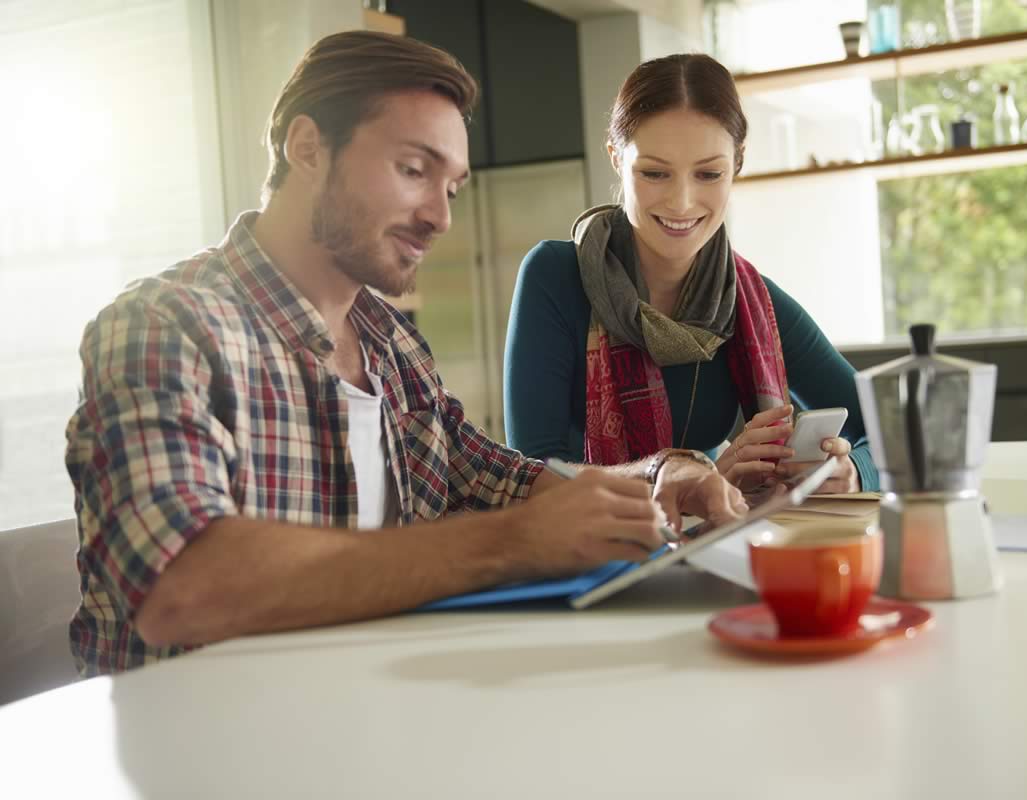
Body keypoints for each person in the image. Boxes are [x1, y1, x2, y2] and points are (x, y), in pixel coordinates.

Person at [64, 33, 745, 677]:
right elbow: (179, 587)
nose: (440, 218)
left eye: (451, 189)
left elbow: (501, 478)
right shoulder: (164, 327)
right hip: (203, 737)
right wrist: (512, 542)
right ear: (308, 147)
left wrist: (656, 474)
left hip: (373, 712)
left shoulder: (391, 344)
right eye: (414, 170)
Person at [504, 54, 879, 495]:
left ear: (737, 164)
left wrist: (851, 471)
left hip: (719, 534)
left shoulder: (749, 299)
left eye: (708, 173)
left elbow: (889, 432)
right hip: (588, 540)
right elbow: (531, 477)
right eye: (655, 173)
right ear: (616, 158)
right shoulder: (555, 276)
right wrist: (701, 483)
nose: (682, 202)